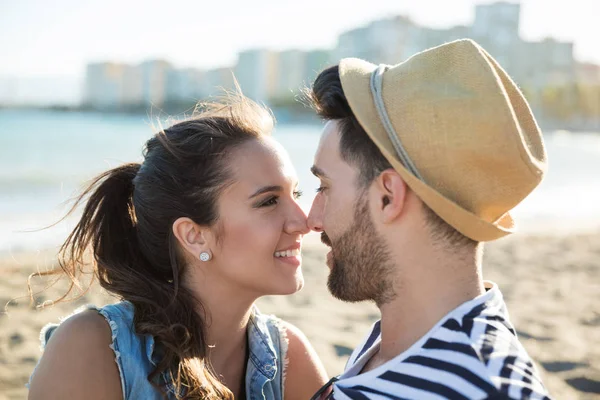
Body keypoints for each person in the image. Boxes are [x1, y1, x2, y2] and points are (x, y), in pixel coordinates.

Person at [26, 94, 328, 399]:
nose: (304, 222)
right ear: (194, 236)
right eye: (269, 201)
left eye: (296, 194)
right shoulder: (92, 347)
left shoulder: (289, 355)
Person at [306, 39, 552, 399]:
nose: (312, 219)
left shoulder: (486, 390)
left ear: (388, 196)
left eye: (324, 187)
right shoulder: (399, 345)